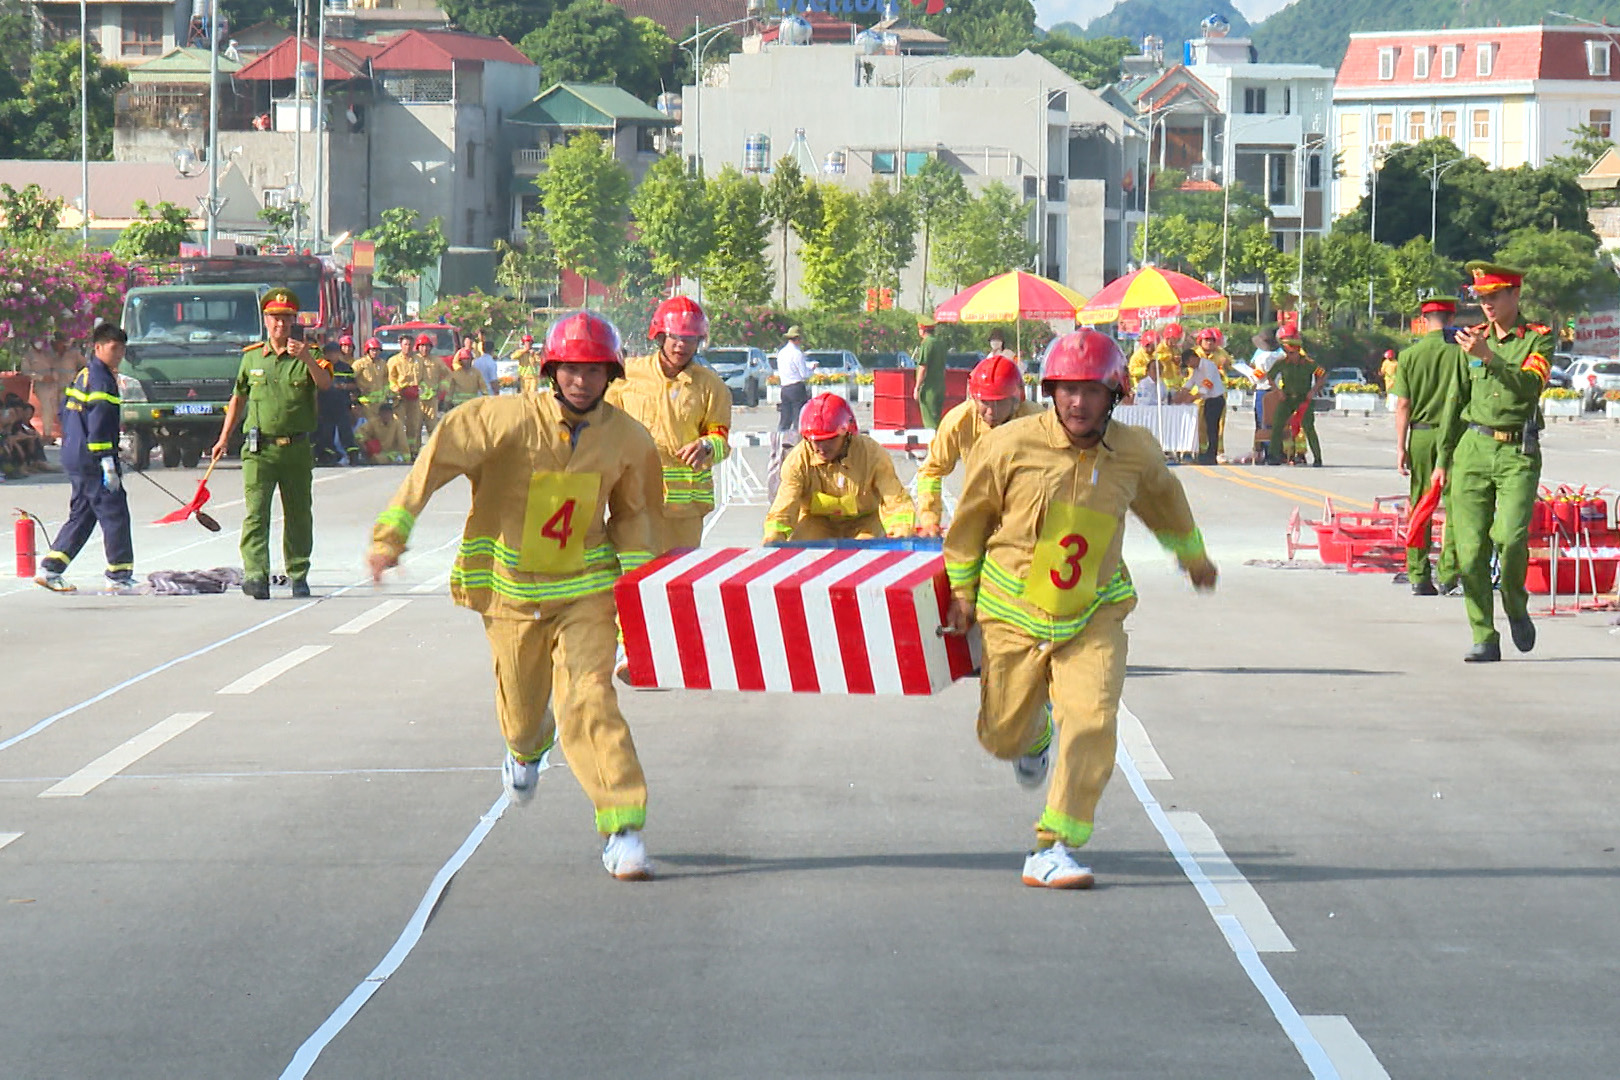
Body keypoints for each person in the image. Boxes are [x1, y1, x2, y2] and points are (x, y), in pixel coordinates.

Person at [367, 311, 665, 880]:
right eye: (571, 369)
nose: (582, 380)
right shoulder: (500, 420)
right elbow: (432, 464)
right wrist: (391, 535)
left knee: (589, 700)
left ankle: (624, 829)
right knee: (524, 718)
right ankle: (526, 751)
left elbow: (635, 519)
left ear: (610, 374)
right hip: (514, 598)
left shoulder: (628, 440)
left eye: (593, 370)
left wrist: (640, 608)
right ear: (552, 371)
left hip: (587, 594)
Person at [942, 329, 1217, 889]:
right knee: (1002, 736)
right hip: (1013, 610)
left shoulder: (1135, 451)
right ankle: (1033, 737)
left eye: (1092, 391)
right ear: (1050, 391)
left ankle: (1054, 845)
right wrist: (963, 595)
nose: (1078, 402)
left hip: (1095, 610)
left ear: (1113, 393)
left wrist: (1193, 558)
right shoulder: (1007, 446)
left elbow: (1166, 504)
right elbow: (967, 527)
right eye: (1067, 389)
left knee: (1092, 719)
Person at [1439, 263, 1552, 663]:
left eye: (1494, 297)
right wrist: (1442, 459)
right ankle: (1484, 634)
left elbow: (1528, 388)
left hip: (1516, 452)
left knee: (1510, 537)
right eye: (1481, 298)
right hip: (1473, 447)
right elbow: (1455, 401)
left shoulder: (1537, 339)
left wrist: (1490, 358)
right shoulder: (1472, 341)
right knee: (1469, 551)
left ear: (1515, 296)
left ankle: (1516, 606)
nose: (1486, 305)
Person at [210, 287, 334, 600]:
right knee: (255, 513)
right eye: (274, 318)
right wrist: (224, 438)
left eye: (286, 318)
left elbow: (325, 383)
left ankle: (298, 572)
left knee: (298, 513)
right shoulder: (252, 357)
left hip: (296, 448)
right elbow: (238, 398)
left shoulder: (309, 355)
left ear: (294, 320)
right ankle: (255, 574)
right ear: (265, 320)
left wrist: (305, 356)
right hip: (258, 449)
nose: (280, 324)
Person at [605, 296, 732, 549]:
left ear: (699, 342)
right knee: (633, 580)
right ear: (660, 336)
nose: (681, 346)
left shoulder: (711, 386)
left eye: (690, 339)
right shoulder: (626, 376)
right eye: (675, 337)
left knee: (678, 582)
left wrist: (707, 446)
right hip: (634, 502)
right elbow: (604, 429)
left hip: (685, 513)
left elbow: (721, 440)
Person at [36, 324, 136, 592]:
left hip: (76, 453)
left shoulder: (84, 374)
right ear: (98, 348)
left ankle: (50, 568)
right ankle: (119, 575)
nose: (119, 354)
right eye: (114, 349)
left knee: (83, 513)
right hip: (93, 458)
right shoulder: (102, 379)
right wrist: (106, 460)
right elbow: (100, 421)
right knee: (114, 512)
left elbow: (65, 413)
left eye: (122, 349)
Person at [763, 393, 916, 543]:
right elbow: (785, 505)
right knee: (802, 550)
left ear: (847, 433)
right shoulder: (797, 460)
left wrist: (901, 533)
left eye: (829, 439)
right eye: (816, 441)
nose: (821, 448)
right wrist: (774, 537)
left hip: (865, 522)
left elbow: (894, 499)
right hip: (817, 522)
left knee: (867, 553)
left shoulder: (872, 454)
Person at [915, 355, 1040, 537]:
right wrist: (929, 520)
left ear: (1016, 399)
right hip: (976, 516)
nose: (991, 411)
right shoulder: (959, 421)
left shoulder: (1037, 422)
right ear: (973, 398)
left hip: (1027, 518)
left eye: (999, 403)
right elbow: (931, 471)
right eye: (985, 402)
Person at [1394, 296, 1469, 597]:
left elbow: (1402, 404)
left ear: (1424, 321)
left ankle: (1418, 574)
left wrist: (1401, 447)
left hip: (1422, 437)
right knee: (1456, 505)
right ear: (1451, 319)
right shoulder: (1462, 354)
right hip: (1459, 436)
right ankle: (1449, 573)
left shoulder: (1410, 355)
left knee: (1422, 503)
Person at [1261, 322, 1325, 467]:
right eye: (1287, 352)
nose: (1289, 355)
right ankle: (1274, 456)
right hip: (1287, 397)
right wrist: (1278, 391)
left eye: (1292, 353)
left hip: (1303, 399)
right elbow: (1269, 376)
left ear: (1298, 351)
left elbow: (1322, 375)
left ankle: (1317, 457)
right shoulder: (1282, 362)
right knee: (1277, 424)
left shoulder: (1309, 363)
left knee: (1308, 427)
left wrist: (1313, 391)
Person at [24, 332, 79, 444]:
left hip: (53, 384)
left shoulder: (47, 353)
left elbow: (55, 365)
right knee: (47, 409)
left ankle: (65, 434)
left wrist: (54, 376)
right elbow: (26, 372)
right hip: (41, 385)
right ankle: (47, 435)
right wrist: (41, 377)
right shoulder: (29, 355)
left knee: (58, 409)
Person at [1178, 344, 1227, 466]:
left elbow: (1207, 385)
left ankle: (1212, 455)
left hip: (1216, 399)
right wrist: (1180, 395)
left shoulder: (1208, 366)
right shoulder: (1196, 370)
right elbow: (1190, 383)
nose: (1189, 367)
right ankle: (1207, 453)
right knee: (1207, 427)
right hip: (1208, 401)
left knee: (1212, 428)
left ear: (1193, 358)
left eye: (1189, 363)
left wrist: (1192, 397)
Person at [316, 334, 360, 465]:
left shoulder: (346, 368)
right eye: (329, 353)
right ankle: (329, 456)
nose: (332, 356)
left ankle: (352, 454)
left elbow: (354, 385)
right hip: (325, 405)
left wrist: (344, 386)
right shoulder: (321, 367)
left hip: (342, 405)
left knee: (345, 431)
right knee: (326, 432)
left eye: (334, 353)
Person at [1247, 327, 1282, 460]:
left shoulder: (1261, 357)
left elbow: (1257, 377)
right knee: (1276, 422)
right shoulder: (1281, 356)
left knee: (1263, 422)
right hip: (1278, 391)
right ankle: (1278, 452)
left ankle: (1268, 453)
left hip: (1263, 390)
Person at [388, 335, 427, 454]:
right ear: (401, 345)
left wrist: (420, 390)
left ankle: (412, 451)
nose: (408, 347)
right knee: (398, 425)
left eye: (410, 344)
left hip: (414, 398)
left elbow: (424, 378)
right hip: (400, 398)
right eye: (405, 344)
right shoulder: (394, 361)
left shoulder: (419, 360)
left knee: (414, 425)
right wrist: (397, 389)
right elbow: (390, 379)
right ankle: (399, 450)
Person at [776, 326, 814, 432]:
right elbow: (804, 374)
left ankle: (781, 441)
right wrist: (812, 369)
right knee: (799, 417)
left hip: (785, 387)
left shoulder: (782, 352)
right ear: (797, 339)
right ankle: (798, 442)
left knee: (785, 418)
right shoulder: (797, 353)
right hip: (796, 387)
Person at [914, 314, 947, 429]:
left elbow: (923, 367)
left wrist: (917, 387)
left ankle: (933, 445)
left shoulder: (927, 343)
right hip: (940, 386)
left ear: (922, 329)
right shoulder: (940, 343)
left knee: (929, 423)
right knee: (937, 420)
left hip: (929, 389)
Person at [413, 332, 448, 441]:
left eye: (427, 346)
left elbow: (448, 375)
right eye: (422, 346)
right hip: (415, 401)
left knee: (432, 428)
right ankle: (415, 452)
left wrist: (441, 389)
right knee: (415, 428)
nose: (424, 349)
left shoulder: (437, 361)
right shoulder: (413, 360)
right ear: (417, 347)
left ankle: (434, 452)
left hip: (432, 400)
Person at [352, 337, 391, 429]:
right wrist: (357, 390)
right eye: (373, 350)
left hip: (380, 404)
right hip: (365, 404)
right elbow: (350, 378)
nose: (375, 352)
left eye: (377, 350)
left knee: (380, 429)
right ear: (368, 350)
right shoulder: (360, 364)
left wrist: (386, 396)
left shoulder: (383, 364)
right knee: (366, 428)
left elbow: (386, 381)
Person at [443, 347, 488, 411]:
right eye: (464, 359)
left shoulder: (476, 373)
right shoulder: (455, 374)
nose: (466, 361)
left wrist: (486, 398)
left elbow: (483, 387)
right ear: (460, 361)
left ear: (471, 360)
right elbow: (450, 390)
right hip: (458, 406)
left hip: (472, 405)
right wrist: (447, 403)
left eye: (468, 359)